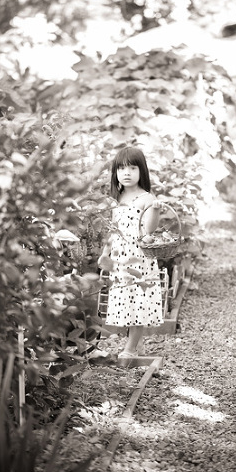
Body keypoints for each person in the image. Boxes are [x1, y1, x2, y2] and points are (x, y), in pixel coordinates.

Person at [98, 146, 164, 358]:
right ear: (115, 172)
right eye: (121, 169)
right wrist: (105, 252)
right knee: (124, 299)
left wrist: (154, 209)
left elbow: (149, 230)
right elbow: (111, 230)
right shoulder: (115, 199)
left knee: (140, 300)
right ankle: (133, 343)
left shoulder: (146, 198)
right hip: (120, 258)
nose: (126, 173)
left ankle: (130, 348)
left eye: (132, 168)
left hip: (139, 257)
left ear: (141, 171)